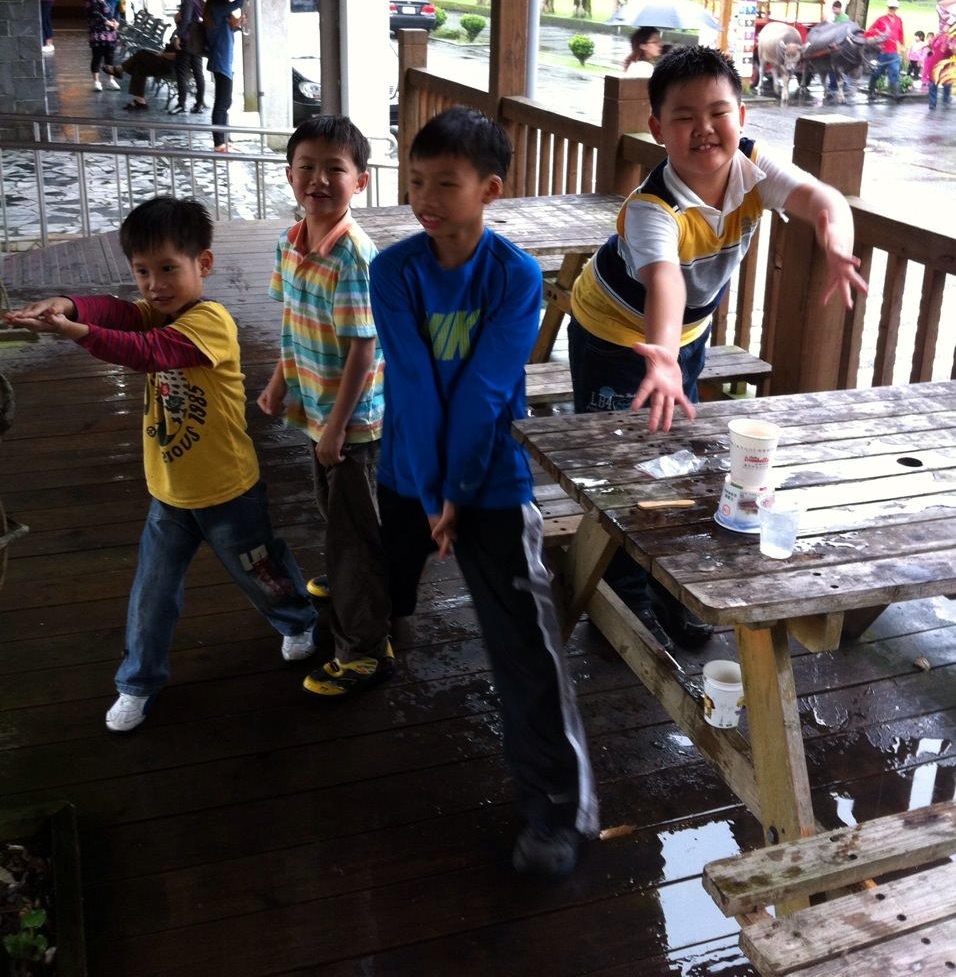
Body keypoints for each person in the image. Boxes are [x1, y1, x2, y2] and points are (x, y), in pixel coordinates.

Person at [568, 46, 868, 650]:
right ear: (658, 128)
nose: (704, 127)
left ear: (742, 116)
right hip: (614, 338)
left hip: (682, 340)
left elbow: (825, 200)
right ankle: (620, 593)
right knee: (620, 463)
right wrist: (660, 354)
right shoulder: (652, 208)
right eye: (684, 116)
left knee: (676, 454)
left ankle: (667, 582)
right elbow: (667, 281)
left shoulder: (753, 167)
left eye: (717, 112)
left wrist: (836, 243)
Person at [369, 107, 598, 880]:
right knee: (385, 574)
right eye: (415, 182)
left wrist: (459, 493)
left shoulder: (516, 276)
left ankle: (556, 812)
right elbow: (413, 384)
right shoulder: (393, 271)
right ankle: (374, 636)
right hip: (409, 470)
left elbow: (485, 391)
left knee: (524, 647)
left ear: (489, 190)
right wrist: (435, 492)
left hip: (492, 481)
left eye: (445, 184)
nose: (424, 199)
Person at [3, 197, 318, 733]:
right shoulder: (156, 311)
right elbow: (117, 312)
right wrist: (68, 305)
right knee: (151, 593)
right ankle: (138, 682)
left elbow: (148, 351)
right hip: (169, 493)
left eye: (168, 269)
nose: (154, 285)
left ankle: (298, 620)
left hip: (229, 492)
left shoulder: (210, 321)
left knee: (260, 569)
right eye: (142, 272)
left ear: (204, 264)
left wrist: (75, 333)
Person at [257, 116, 391, 700]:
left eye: (334, 168)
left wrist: (337, 427)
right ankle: (354, 582)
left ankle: (365, 650)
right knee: (337, 514)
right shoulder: (291, 241)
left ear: (360, 181)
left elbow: (364, 347)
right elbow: (294, 324)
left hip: (352, 421)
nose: (318, 179)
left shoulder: (354, 257)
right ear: (289, 175)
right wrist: (278, 382)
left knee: (353, 536)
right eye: (306, 167)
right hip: (317, 410)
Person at [203, 0, 243, 150]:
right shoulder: (216, 9)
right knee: (222, 103)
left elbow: (224, 32)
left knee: (225, 102)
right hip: (222, 62)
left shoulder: (217, 10)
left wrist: (236, 25)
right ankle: (219, 142)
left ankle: (224, 138)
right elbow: (239, 3)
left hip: (223, 61)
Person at [171, 0, 206, 116]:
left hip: (187, 40)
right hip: (197, 41)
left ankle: (181, 104)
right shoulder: (197, 0)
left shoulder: (188, 1)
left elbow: (185, 20)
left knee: (181, 72)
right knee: (198, 72)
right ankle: (199, 103)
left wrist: (178, 37)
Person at [84, 0, 123, 92]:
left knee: (109, 56)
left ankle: (111, 80)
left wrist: (114, 22)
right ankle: (96, 81)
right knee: (97, 56)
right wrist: (109, 23)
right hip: (98, 33)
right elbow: (95, 14)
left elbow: (109, 12)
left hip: (109, 33)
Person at [865, 0, 905, 99]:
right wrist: (877, 38)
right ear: (888, 8)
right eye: (890, 8)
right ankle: (871, 90)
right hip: (882, 52)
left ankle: (896, 93)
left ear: (896, 9)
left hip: (893, 52)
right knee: (877, 72)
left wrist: (902, 45)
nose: (892, 10)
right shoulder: (881, 20)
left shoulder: (899, 20)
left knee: (894, 72)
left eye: (894, 8)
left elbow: (900, 33)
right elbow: (870, 30)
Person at [119, 47, 177, 111]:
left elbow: (177, 55)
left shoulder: (182, 42)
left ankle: (120, 69)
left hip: (171, 68)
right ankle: (140, 101)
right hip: (166, 62)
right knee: (139, 67)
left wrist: (163, 54)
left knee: (141, 53)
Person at [925, 30, 955, 110]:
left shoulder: (952, 39)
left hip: (945, 67)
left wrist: (952, 48)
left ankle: (946, 102)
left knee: (947, 85)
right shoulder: (937, 37)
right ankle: (932, 104)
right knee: (932, 85)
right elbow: (931, 46)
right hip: (934, 65)